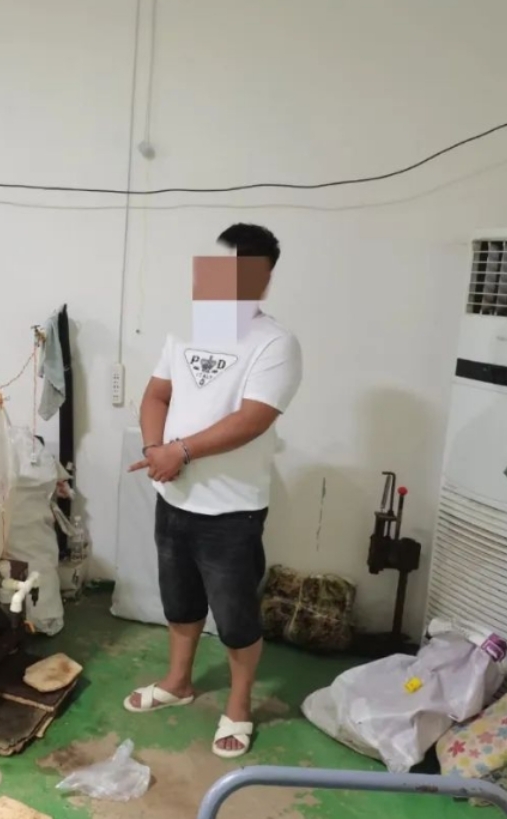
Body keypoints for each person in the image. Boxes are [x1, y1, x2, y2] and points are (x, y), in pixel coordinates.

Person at [124, 223, 302, 759]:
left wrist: (179, 452)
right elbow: (156, 395)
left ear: (262, 280)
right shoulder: (186, 332)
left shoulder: (275, 344)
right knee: (180, 603)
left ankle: (239, 706)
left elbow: (252, 419)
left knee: (236, 617)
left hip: (232, 510)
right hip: (174, 499)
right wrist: (156, 448)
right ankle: (178, 682)